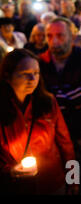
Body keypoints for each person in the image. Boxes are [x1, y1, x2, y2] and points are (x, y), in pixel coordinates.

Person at [39, 17, 81, 195]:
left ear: (72, 36)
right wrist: (64, 101)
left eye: (60, 35)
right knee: (67, 176)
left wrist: (55, 100)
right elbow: (39, 93)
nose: (54, 41)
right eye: (49, 36)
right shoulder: (41, 62)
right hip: (56, 134)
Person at [0, 49, 76, 194]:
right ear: (7, 76)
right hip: (15, 187)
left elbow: (66, 144)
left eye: (36, 73)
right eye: (25, 74)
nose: (32, 79)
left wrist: (74, 179)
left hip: (52, 182)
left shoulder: (48, 102)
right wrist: (9, 171)